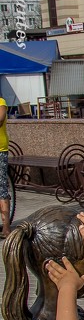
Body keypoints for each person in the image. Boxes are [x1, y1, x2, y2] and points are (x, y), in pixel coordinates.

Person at [0, 96, 11, 236]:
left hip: (0, 150)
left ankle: (6, 228)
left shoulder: (1, 102)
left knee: (1, 188)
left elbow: (0, 119)